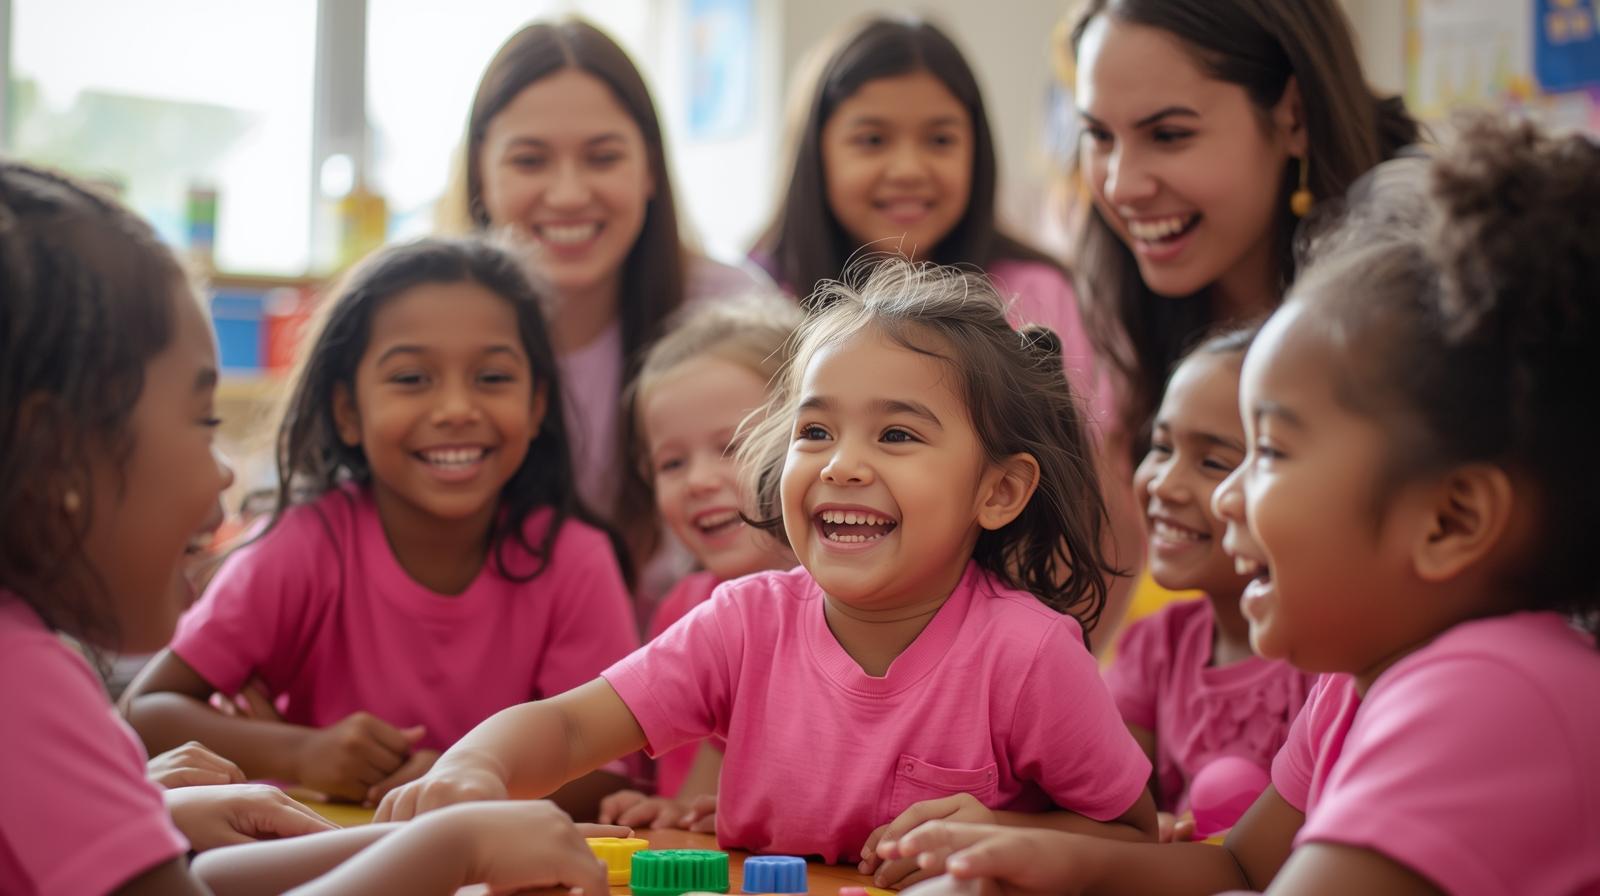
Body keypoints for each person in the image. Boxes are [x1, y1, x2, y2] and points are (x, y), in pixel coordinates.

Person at [876, 115, 1600, 895]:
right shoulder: (1361, 682)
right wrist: (1039, 859)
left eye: (1271, 453)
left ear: (1450, 520)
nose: (1225, 495)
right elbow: (1239, 866)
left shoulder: (1491, 691)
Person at [376, 259, 1157, 890]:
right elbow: (573, 725)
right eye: (815, 431)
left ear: (999, 491)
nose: (842, 464)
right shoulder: (743, 622)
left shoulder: (1030, 655)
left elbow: (1134, 834)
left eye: (895, 434)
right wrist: (476, 766)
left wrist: (1006, 832)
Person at [0, 161, 621, 895]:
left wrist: (451, 807)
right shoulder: (25, 685)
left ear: (539, 400)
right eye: (204, 423)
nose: (228, 478)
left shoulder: (32, 671)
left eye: (491, 376)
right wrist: (436, 838)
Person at [125, 238, 639, 817]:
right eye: (412, 379)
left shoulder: (576, 561)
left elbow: (611, 771)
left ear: (537, 402)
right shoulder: (305, 543)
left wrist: (470, 774)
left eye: (492, 377)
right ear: (347, 411)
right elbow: (147, 709)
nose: (455, 409)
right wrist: (302, 753)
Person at [1061, 0, 1422, 648]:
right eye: (1099, 136)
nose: (1122, 184)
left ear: (1294, 116)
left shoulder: (1407, 255)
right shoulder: (1127, 298)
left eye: (1169, 135)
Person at [437, 18, 773, 543]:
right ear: (481, 174)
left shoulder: (733, 311)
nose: (568, 194)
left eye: (603, 157)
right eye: (530, 160)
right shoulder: (426, 323)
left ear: (650, 170)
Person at [755, 15, 1107, 424]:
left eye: (940, 140)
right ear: (816, 155)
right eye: (872, 140)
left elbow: (1079, 464)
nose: (908, 169)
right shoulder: (759, 299)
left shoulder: (1037, 297)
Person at [597, 298, 802, 833]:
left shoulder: (842, 610)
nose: (698, 481)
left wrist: (677, 815)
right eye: (672, 462)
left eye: (732, 446)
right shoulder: (682, 607)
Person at [1106, 325, 1313, 842]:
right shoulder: (1156, 647)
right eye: (1160, 446)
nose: (1164, 483)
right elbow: (1099, 801)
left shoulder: (1325, 667)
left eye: (1214, 462)